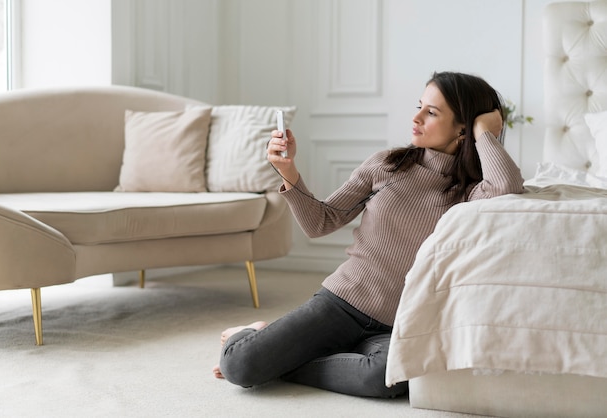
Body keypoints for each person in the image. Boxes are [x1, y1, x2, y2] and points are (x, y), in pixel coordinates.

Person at [212, 71, 525, 398]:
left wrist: (484, 133)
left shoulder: (472, 192)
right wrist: (289, 172)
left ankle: (283, 358)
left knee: (387, 379)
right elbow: (321, 222)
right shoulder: (386, 166)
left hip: (400, 323)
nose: (416, 118)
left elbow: (507, 186)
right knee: (239, 365)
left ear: (463, 128)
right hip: (342, 304)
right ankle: (251, 334)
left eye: (431, 112)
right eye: (420, 106)